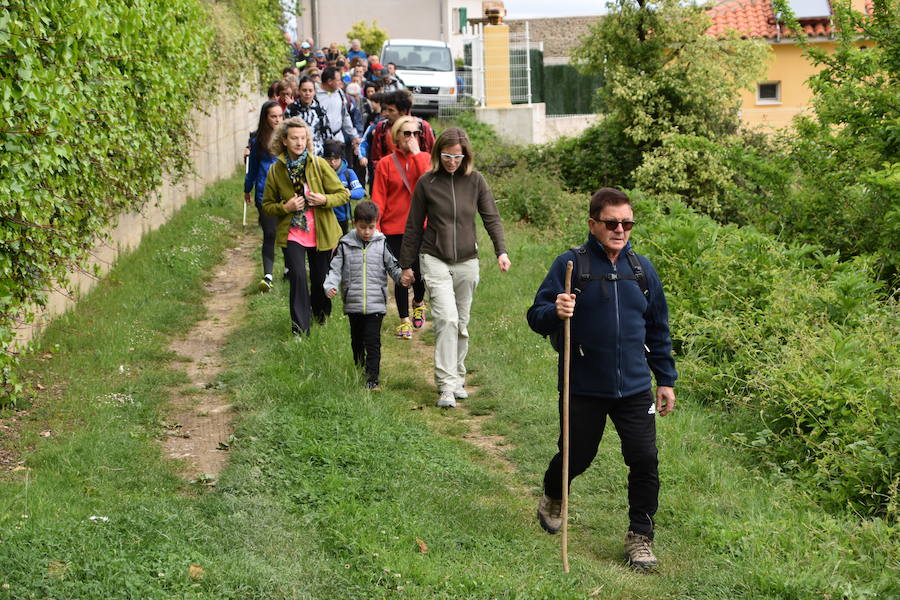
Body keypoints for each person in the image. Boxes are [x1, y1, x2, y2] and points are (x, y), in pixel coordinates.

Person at [526, 187, 677, 571]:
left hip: (634, 387)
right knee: (576, 457)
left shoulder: (642, 270)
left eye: (627, 223)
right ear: (593, 224)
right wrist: (554, 310)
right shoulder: (571, 265)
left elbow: (658, 328)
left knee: (645, 460)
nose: (620, 229)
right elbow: (535, 314)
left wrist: (666, 379)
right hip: (582, 384)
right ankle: (553, 494)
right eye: (612, 222)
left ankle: (640, 537)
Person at [399, 128, 510, 406]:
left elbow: (492, 218)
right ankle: (446, 386)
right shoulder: (427, 182)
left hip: (467, 262)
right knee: (446, 319)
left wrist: (501, 251)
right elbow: (413, 226)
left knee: (461, 323)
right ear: (438, 154)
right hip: (434, 257)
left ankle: (458, 376)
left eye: (457, 157)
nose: (452, 161)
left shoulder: (476, 181)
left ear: (466, 156)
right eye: (447, 156)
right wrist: (406, 266)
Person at [262, 117, 349, 335]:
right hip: (293, 232)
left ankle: (320, 316)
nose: (299, 143)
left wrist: (324, 200)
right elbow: (267, 206)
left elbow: (343, 194)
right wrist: (286, 207)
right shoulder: (276, 170)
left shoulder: (319, 164)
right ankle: (300, 329)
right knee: (299, 277)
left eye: (303, 138)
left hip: (321, 232)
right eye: (294, 138)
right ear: (284, 140)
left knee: (320, 280)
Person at [324, 201, 402, 390]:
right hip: (354, 303)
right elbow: (334, 270)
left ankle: (372, 379)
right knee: (357, 340)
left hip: (376, 304)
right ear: (354, 223)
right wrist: (330, 285)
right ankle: (359, 368)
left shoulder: (382, 243)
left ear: (376, 224)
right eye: (362, 227)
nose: (367, 232)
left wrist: (403, 278)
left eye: (371, 227)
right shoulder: (345, 244)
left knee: (372, 341)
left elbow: (393, 267)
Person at [373, 116, 432, 340]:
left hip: (422, 226)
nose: (411, 138)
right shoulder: (386, 163)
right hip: (394, 227)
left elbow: (428, 182)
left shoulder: (425, 158)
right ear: (397, 136)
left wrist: (416, 154)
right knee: (400, 273)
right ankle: (404, 320)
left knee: (420, 272)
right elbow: (379, 196)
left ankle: (418, 301)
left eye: (415, 133)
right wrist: (376, 227)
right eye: (406, 133)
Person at [244, 101, 284, 292]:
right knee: (270, 233)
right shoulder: (257, 141)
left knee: (287, 233)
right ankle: (268, 275)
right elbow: (252, 169)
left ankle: (288, 268)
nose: (277, 120)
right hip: (264, 192)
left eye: (280, 116)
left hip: (285, 192)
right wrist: (247, 188)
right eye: (273, 116)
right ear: (265, 118)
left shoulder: (288, 137)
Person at [361, 90, 435, 178]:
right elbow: (376, 158)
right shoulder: (382, 127)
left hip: (418, 179)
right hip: (390, 180)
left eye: (391, 110)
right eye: (386, 109)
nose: (387, 114)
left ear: (403, 111)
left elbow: (432, 155)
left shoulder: (423, 127)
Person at [323, 139, 365, 234]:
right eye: (329, 159)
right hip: (324, 217)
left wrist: (347, 193)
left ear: (341, 158)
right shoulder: (319, 173)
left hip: (342, 218)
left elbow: (360, 192)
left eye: (336, 159)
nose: (332, 163)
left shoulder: (348, 173)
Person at [285, 76, 330, 155]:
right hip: (296, 154)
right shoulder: (291, 109)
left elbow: (327, 134)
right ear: (299, 91)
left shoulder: (320, 110)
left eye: (310, 90)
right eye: (304, 90)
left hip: (317, 155)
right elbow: (284, 133)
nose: (307, 93)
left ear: (314, 92)